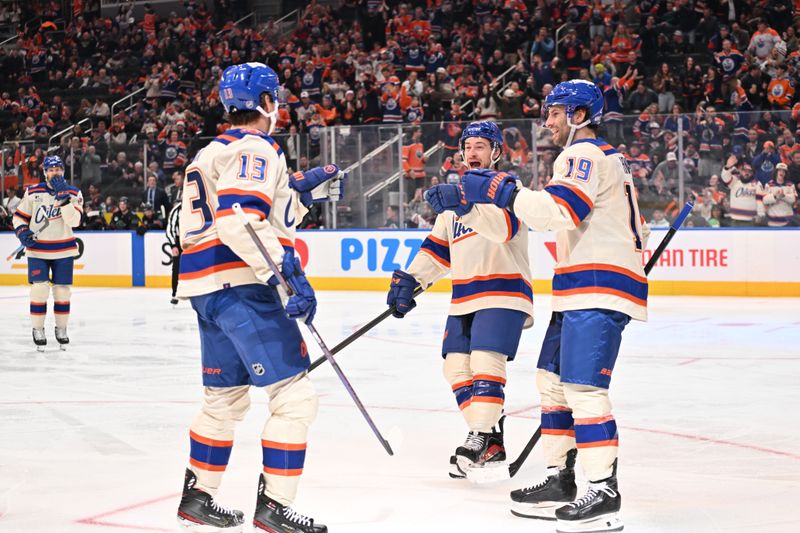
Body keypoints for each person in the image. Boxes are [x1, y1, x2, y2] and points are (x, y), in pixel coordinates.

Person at [456, 80, 648, 532]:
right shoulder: (605, 158)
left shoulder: (582, 155)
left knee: (583, 389)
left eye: (556, 113)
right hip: (581, 286)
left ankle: (602, 490)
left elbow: (560, 212)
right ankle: (559, 479)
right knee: (552, 382)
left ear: (580, 115)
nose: (548, 122)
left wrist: (505, 191)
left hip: (596, 286)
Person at [174, 62, 342, 533]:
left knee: (223, 400)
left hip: (206, 290)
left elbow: (245, 211)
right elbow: (241, 220)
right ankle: (275, 507)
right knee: (294, 396)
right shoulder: (258, 146)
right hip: (243, 284)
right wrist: (286, 273)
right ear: (267, 102)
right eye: (277, 98)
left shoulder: (212, 151)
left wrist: (298, 192)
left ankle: (199, 498)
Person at [387, 120, 533, 480]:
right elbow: (437, 253)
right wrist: (410, 281)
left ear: (497, 152)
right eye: (467, 147)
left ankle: (480, 436)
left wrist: (466, 208)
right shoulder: (453, 205)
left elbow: (503, 230)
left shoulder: (510, 191)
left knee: (485, 362)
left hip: (504, 291)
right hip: (465, 297)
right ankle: (489, 440)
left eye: (480, 146)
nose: (471, 153)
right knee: (455, 369)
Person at [12, 155, 83, 351]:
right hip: (37, 251)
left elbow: (74, 221)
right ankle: (38, 329)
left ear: (63, 171)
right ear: (45, 172)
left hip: (64, 250)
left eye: (58, 169)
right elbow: (18, 217)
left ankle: (61, 329)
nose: (55, 172)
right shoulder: (33, 192)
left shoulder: (74, 192)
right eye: (51, 169)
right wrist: (22, 231)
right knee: (39, 289)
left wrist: (64, 199)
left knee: (62, 292)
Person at [720, 155, 761, 227]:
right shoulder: (735, 182)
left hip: (751, 221)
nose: (747, 173)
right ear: (740, 172)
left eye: (749, 171)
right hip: (735, 220)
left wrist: (760, 214)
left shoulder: (757, 184)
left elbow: (760, 201)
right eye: (744, 171)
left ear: (752, 173)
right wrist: (727, 167)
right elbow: (725, 177)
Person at [759, 163, 796, 227]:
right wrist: (775, 196)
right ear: (776, 172)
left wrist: (783, 196)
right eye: (780, 170)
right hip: (772, 221)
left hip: (788, 221)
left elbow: (793, 200)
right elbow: (764, 200)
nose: (782, 172)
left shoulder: (790, 185)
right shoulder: (769, 184)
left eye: (784, 171)